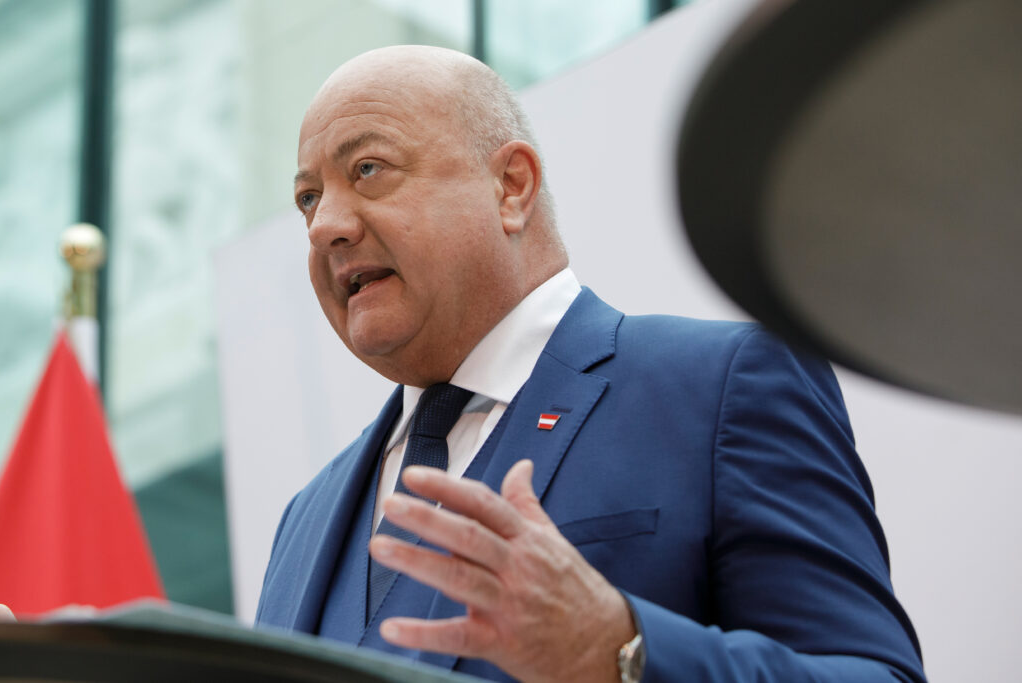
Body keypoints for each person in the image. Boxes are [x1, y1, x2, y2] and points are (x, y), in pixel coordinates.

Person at [255, 45, 926, 683]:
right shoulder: (303, 521)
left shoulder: (719, 387)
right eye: (308, 199)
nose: (325, 226)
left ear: (511, 186)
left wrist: (621, 650)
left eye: (368, 169)